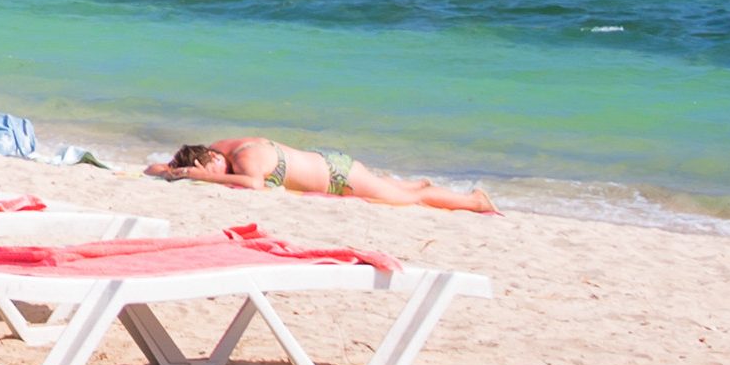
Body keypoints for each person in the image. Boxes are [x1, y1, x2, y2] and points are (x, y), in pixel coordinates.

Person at [155, 136, 496, 214]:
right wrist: (173, 172)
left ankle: (474, 202)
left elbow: (255, 185)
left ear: (211, 156)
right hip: (329, 168)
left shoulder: (245, 157)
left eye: (211, 169)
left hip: (338, 176)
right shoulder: (220, 150)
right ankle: (415, 182)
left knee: (410, 201)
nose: (217, 174)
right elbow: (157, 170)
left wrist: (205, 178)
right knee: (388, 190)